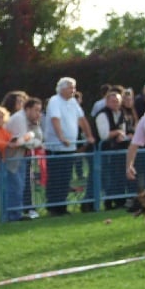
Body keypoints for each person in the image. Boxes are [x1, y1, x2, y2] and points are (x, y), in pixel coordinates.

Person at [43, 77, 94, 216]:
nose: (73, 90)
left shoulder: (73, 102)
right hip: (56, 148)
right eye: (71, 87)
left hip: (70, 148)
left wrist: (89, 135)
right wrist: (61, 137)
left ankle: (62, 206)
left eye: (74, 87)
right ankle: (54, 207)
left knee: (66, 178)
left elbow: (82, 119)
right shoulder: (54, 101)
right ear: (62, 88)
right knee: (56, 178)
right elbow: (55, 119)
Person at [4, 97, 43, 222]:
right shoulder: (20, 119)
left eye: (40, 111)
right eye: (36, 110)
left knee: (19, 186)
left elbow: (39, 137)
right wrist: (36, 143)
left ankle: (16, 213)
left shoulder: (29, 120)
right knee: (15, 186)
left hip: (21, 157)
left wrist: (35, 128)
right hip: (13, 159)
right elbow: (23, 141)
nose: (39, 114)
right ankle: (13, 215)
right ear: (27, 109)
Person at [95, 90, 129, 209]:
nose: (116, 104)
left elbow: (123, 131)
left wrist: (122, 135)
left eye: (118, 101)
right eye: (113, 101)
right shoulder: (102, 114)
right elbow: (104, 135)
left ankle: (120, 201)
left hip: (119, 150)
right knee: (108, 177)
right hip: (105, 151)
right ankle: (108, 202)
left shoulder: (121, 113)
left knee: (119, 175)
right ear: (107, 102)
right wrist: (118, 132)